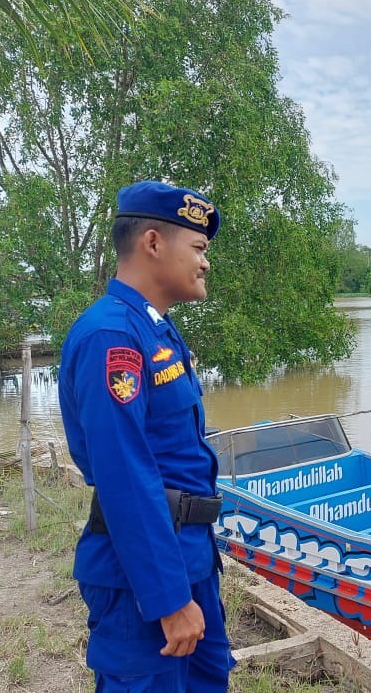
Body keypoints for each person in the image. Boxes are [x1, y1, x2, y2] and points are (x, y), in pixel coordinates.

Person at [58, 180, 234, 691]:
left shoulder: (155, 328)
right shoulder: (112, 336)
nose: (205, 262)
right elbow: (125, 479)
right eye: (198, 248)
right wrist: (169, 600)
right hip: (143, 579)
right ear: (153, 243)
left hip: (187, 559)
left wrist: (188, 585)